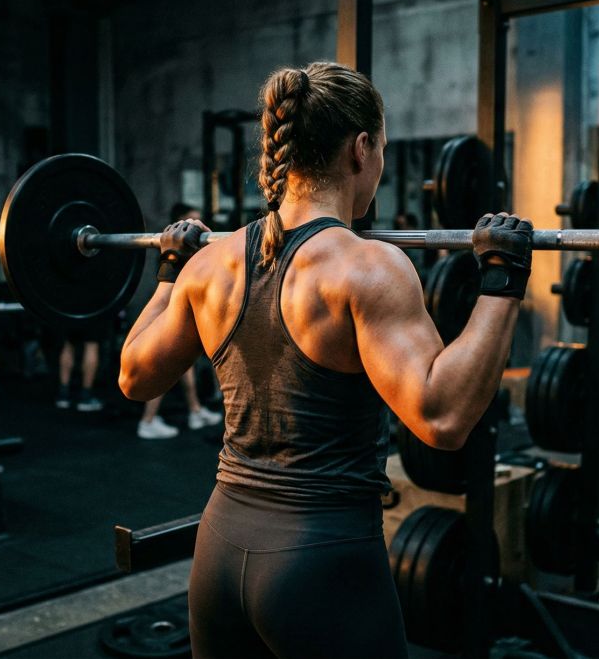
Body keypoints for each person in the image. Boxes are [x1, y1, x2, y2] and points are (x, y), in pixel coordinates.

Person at [118, 62, 531, 657]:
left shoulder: (210, 263)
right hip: (323, 565)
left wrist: (167, 272)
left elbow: (134, 376)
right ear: (361, 149)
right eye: (382, 149)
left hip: (218, 552)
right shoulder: (367, 267)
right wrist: (502, 280)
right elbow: (441, 418)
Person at [136, 202, 224, 440]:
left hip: (186, 311)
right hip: (172, 313)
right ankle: (148, 420)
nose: (197, 228)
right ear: (178, 225)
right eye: (191, 222)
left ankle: (195, 411)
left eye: (199, 221)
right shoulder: (173, 252)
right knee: (163, 367)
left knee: (184, 367)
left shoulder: (190, 250)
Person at [54, 328, 105, 412]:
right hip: (91, 316)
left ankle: (63, 395)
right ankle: (86, 397)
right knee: (91, 345)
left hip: (70, 315)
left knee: (68, 344)